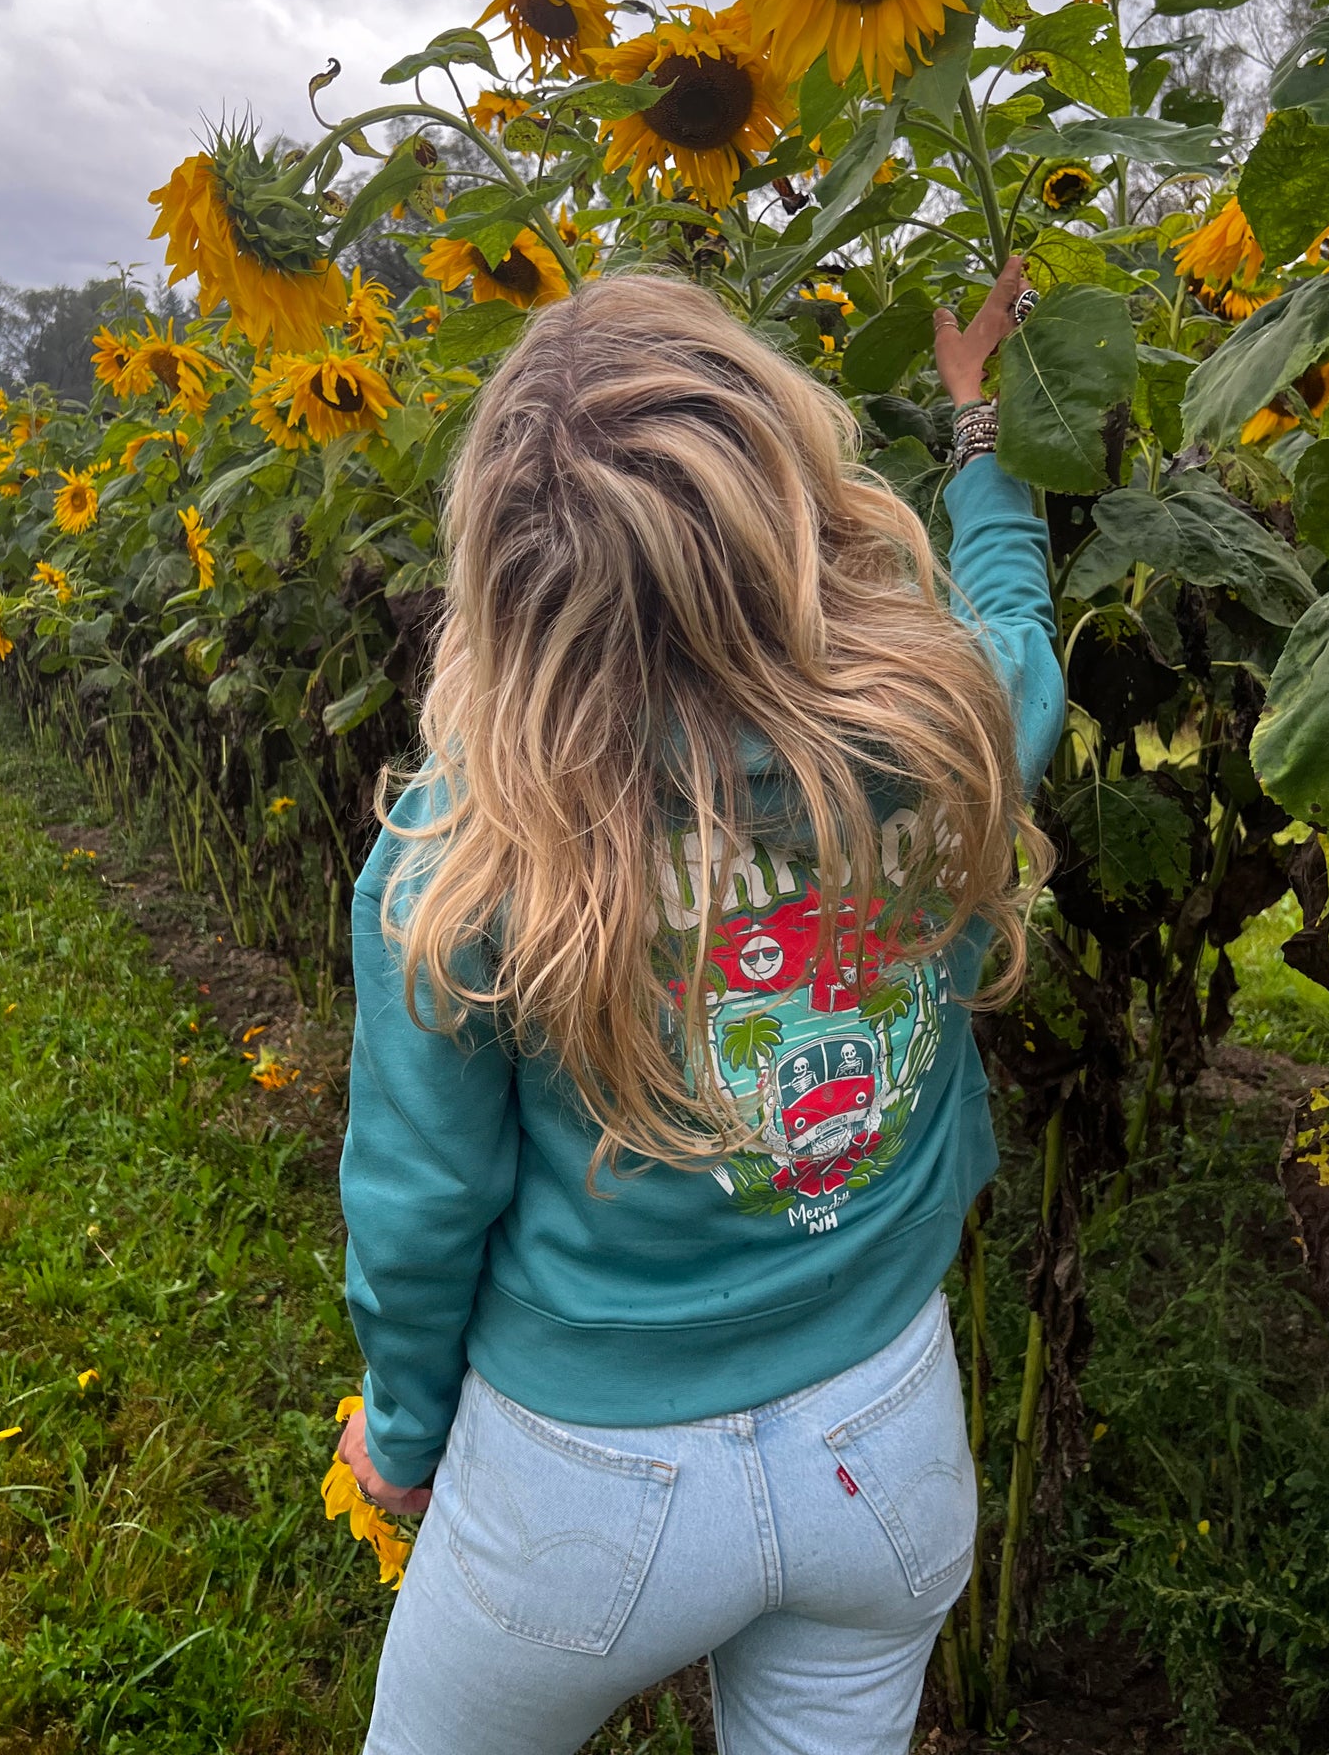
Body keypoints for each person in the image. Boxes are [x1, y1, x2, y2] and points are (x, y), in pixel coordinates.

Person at [336, 257, 1063, 1755]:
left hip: (580, 1484)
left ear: (512, 578)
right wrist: (979, 433)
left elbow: (420, 1211)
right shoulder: (947, 731)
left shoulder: (468, 859)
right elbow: (1014, 619)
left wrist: (401, 1439)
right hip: (888, 1434)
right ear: (793, 490)